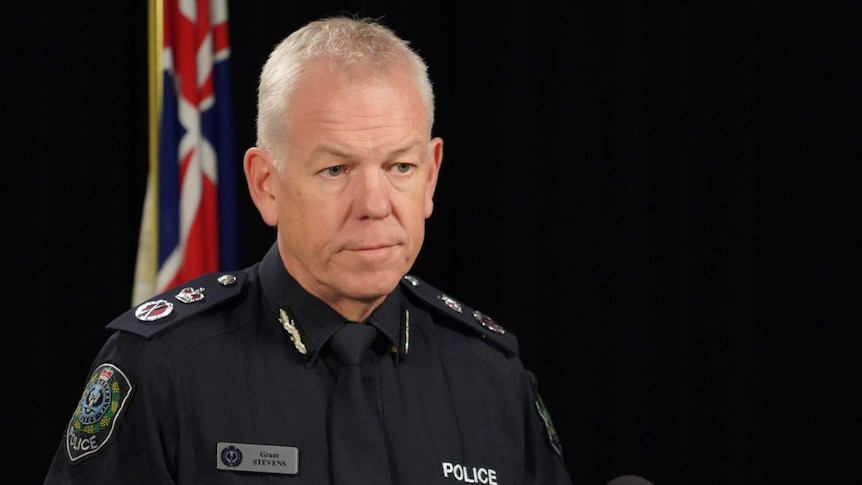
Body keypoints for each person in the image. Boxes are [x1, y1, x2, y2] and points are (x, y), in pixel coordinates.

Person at [44, 15, 574, 484]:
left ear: (432, 175)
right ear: (265, 183)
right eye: (336, 169)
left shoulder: (491, 379)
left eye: (400, 167)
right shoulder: (162, 369)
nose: (375, 204)